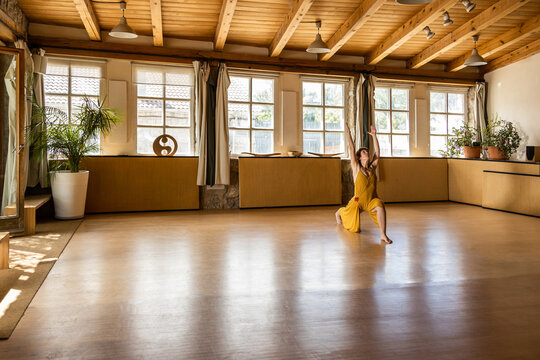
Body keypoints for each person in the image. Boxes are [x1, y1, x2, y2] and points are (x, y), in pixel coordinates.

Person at [335, 123, 392, 244]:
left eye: (367, 151)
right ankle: (339, 212)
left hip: (371, 200)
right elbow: (351, 149)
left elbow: (377, 152)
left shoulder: (372, 167)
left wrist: (374, 136)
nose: (366, 152)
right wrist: (349, 134)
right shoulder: (356, 168)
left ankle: (383, 234)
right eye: (364, 152)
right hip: (358, 201)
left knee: (380, 205)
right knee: (354, 226)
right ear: (359, 158)